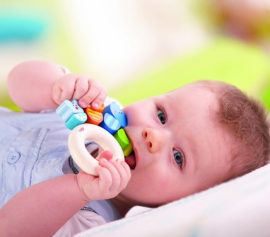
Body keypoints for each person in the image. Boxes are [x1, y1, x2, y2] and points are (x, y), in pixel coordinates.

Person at [0, 60, 269, 237]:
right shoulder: (89, 108)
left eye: (178, 157)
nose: (154, 137)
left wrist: (79, 190)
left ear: (176, 204)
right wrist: (55, 87)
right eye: (161, 115)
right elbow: (16, 83)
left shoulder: (93, 222)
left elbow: (9, 229)